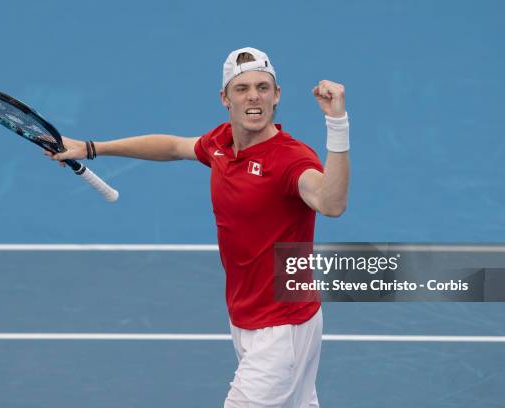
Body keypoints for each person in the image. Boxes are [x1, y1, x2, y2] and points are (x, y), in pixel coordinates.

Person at [47, 47, 350, 407]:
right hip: (250, 320)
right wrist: (90, 147)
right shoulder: (221, 143)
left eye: (263, 87)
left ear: (277, 95)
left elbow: (331, 204)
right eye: (242, 89)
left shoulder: (290, 159)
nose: (253, 96)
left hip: (281, 328)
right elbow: (174, 146)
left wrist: (337, 124)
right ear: (225, 98)